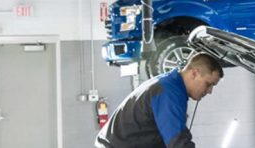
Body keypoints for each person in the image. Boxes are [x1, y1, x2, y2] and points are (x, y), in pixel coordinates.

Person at [96, 53, 224, 148]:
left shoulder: (169, 83)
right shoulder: (169, 93)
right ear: (194, 73)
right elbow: (178, 142)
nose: (210, 91)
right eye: (208, 84)